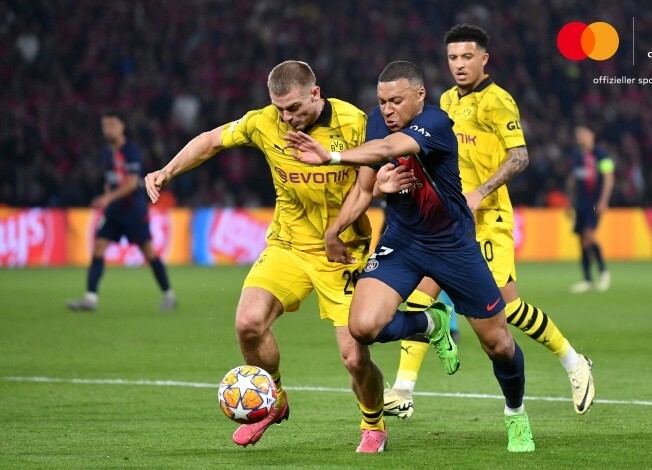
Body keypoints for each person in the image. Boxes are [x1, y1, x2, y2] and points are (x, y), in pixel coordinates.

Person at [286, 60, 535, 452]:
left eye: (396, 101)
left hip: (452, 245)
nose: (387, 110)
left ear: (419, 96)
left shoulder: (436, 122)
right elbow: (367, 187)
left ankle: (515, 413)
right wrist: (335, 228)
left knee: (499, 344)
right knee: (363, 327)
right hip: (402, 243)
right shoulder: (376, 122)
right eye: (382, 101)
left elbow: (387, 150)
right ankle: (430, 321)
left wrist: (332, 157)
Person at [144, 61, 387, 453]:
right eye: (279, 109)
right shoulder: (264, 122)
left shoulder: (353, 123)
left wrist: (335, 231)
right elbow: (210, 140)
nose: (287, 118)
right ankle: (273, 398)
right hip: (287, 245)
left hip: (341, 252)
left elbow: (367, 185)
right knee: (248, 323)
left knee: (354, 358)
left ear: (315, 93)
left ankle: (373, 425)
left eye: (293, 108)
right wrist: (166, 171)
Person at [382, 24, 595, 418]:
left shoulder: (498, 101)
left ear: (484, 59)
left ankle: (574, 362)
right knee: (418, 296)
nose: (459, 65)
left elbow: (519, 157)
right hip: (446, 221)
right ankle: (402, 390)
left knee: (507, 310)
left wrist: (480, 192)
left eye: (467, 57)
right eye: (452, 57)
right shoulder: (444, 100)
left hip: (488, 218)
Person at [66, 110, 176, 312]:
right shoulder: (106, 153)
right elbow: (112, 180)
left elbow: (132, 183)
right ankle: (90, 298)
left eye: (112, 125)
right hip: (115, 209)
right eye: (105, 125)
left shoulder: (131, 150)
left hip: (133, 208)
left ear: (122, 127)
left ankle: (169, 294)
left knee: (148, 251)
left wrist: (107, 197)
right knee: (99, 246)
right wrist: (107, 192)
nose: (108, 129)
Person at [567, 124, 615, 293]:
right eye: (577, 134)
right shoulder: (576, 156)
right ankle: (587, 279)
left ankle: (603, 272)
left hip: (594, 203)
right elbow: (573, 180)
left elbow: (609, 178)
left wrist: (603, 200)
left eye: (583, 133)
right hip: (580, 203)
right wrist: (570, 202)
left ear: (592, 135)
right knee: (581, 239)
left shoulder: (602, 155)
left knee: (589, 236)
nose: (579, 137)